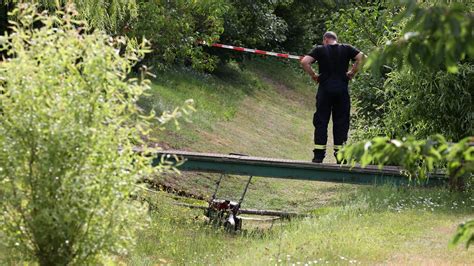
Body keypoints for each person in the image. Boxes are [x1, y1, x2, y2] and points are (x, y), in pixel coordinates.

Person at [300, 31, 364, 163]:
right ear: (336, 39)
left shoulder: (320, 49)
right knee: (341, 122)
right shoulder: (346, 48)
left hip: (325, 91)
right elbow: (362, 57)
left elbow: (305, 62)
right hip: (341, 91)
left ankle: (318, 155)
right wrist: (352, 72)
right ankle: (340, 156)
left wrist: (314, 75)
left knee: (321, 121)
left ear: (325, 39)